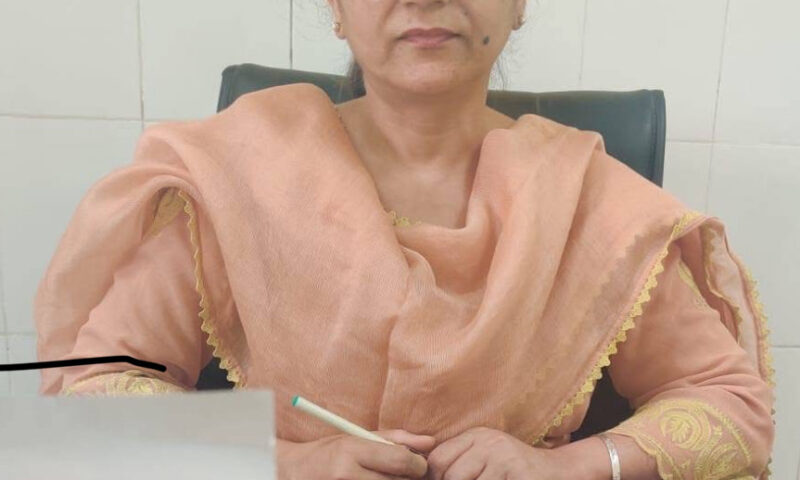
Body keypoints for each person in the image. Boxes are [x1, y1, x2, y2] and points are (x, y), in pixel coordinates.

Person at [34, 1, 775, 479]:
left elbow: (732, 407)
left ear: (519, 5)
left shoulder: (589, 197)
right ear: (336, 9)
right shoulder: (239, 171)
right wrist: (292, 462)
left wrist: (567, 467)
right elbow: (96, 391)